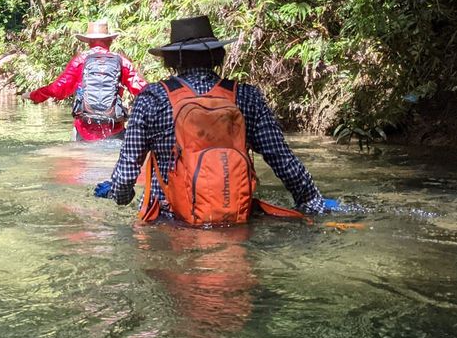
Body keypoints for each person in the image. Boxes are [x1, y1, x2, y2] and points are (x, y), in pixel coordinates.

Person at [93, 15, 336, 218]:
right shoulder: (246, 96)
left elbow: (126, 175)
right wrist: (312, 200)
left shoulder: (152, 98)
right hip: (235, 216)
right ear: (217, 55)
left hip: (170, 221)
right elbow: (282, 159)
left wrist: (118, 194)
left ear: (171, 60)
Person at [29, 19, 144, 141]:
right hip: (114, 128)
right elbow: (141, 88)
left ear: (89, 41)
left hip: (84, 130)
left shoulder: (80, 61)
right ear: (110, 40)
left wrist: (35, 95)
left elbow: (59, 89)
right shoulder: (121, 61)